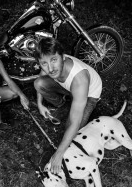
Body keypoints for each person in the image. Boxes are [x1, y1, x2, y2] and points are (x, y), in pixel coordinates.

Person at [33, 37, 102, 174]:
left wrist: (58, 154)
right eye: (44, 63)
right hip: (69, 88)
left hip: (88, 94)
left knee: (73, 129)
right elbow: (41, 75)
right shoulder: (50, 68)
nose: (50, 68)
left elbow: (75, 122)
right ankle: (63, 103)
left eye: (54, 60)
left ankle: (74, 103)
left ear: (63, 57)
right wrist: (40, 104)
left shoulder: (79, 79)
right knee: (39, 84)